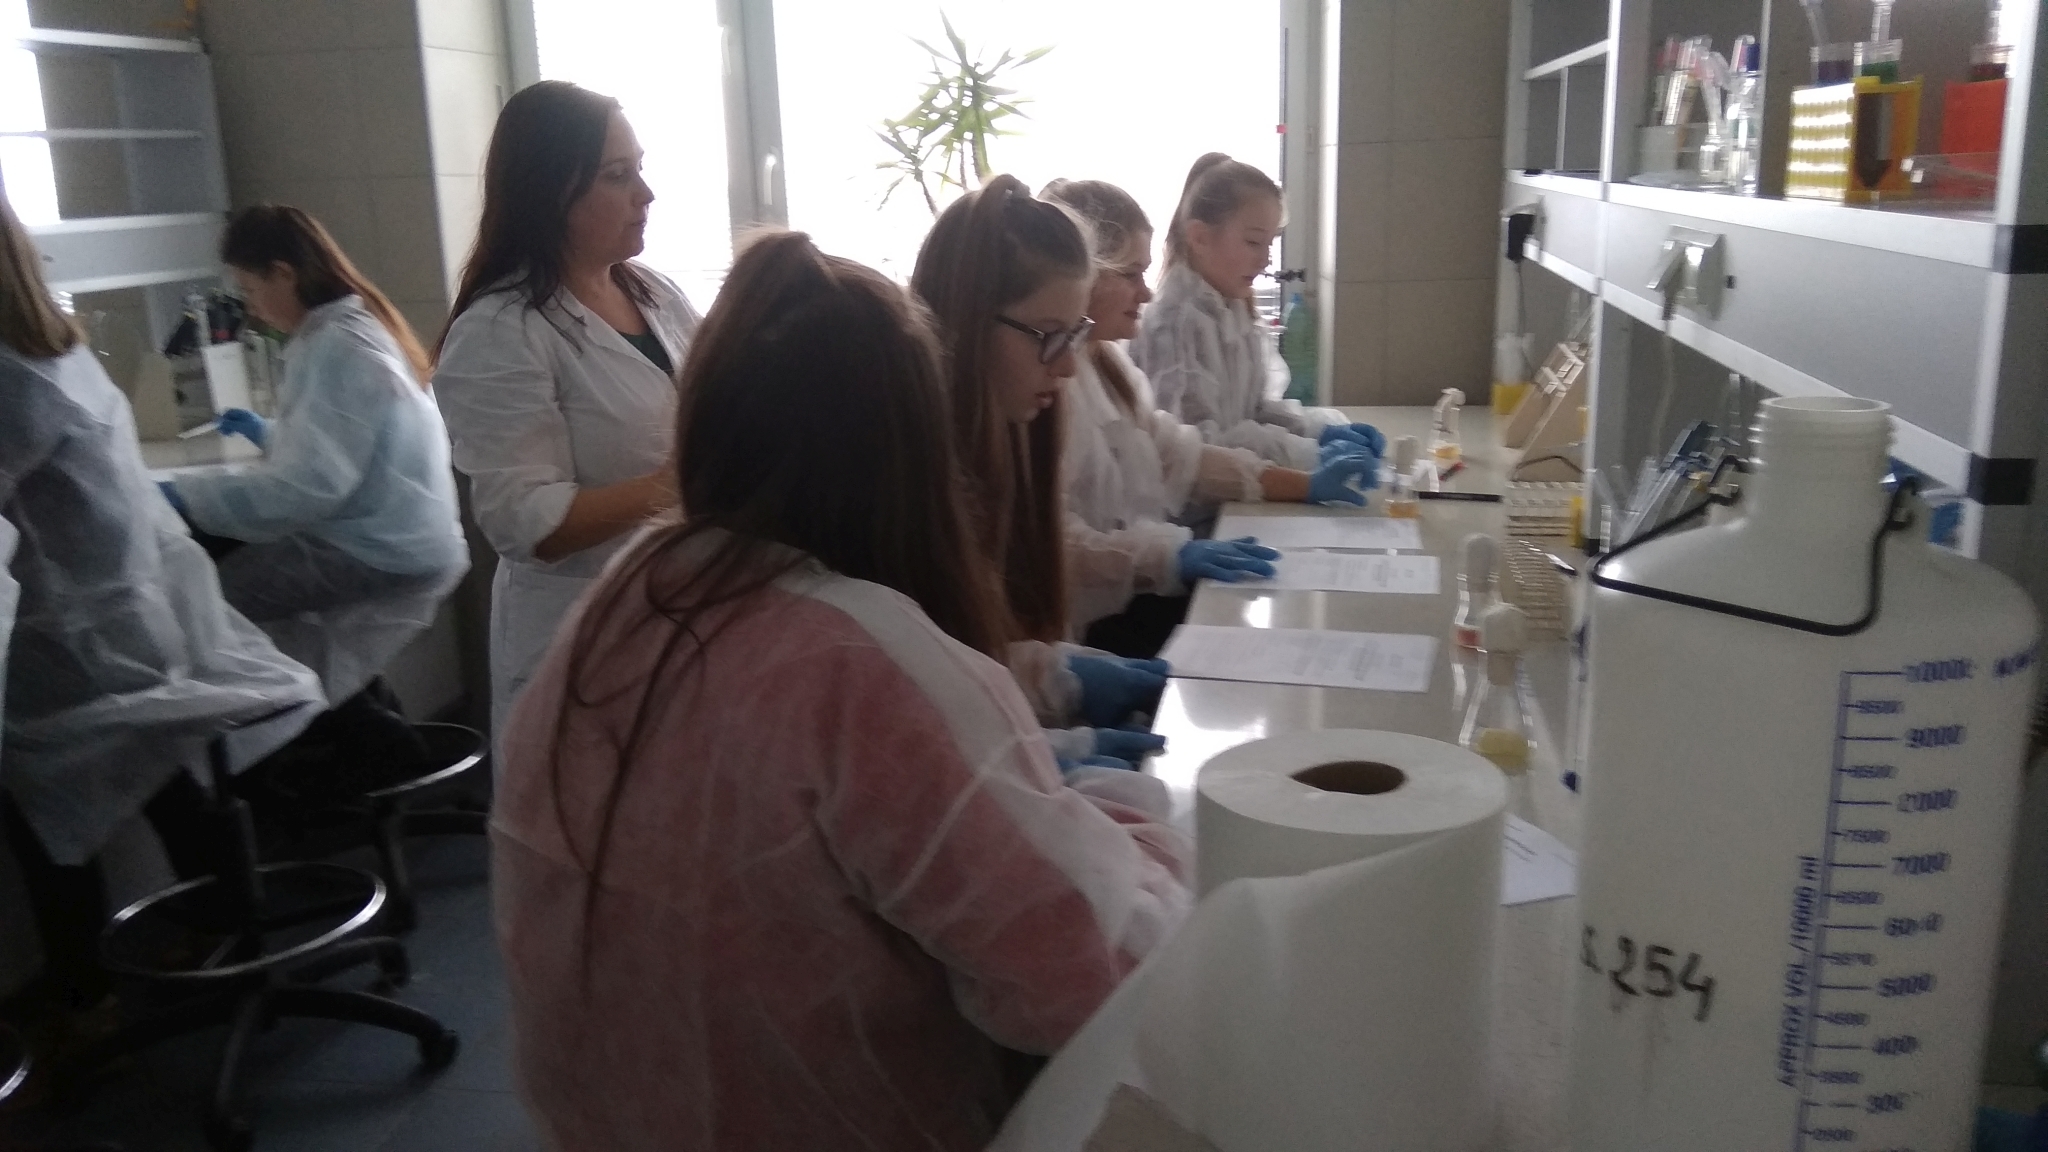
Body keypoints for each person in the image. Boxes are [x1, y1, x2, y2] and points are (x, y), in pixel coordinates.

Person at [492, 230, 1190, 1151]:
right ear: (911, 443)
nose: (1063, 366)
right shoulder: (863, 664)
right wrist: (1144, 824)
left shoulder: (625, 598)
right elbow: (1089, 979)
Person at [0, 192, 323, 1008]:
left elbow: (315, 483)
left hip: (77, 642)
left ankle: (83, 1001)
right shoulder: (52, 349)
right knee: (158, 771)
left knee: (49, 810)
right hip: (129, 623)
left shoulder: (9, 380)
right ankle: (231, 926)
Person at [433, 81, 701, 738]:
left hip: (680, 611)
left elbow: (717, 400)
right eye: (618, 176)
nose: (645, 194)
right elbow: (528, 522)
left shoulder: (657, 294)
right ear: (552, 191)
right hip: (581, 637)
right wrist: (683, 482)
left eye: (640, 169)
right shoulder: (500, 330)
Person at [909, 176, 1187, 758]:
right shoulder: (913, 480)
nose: (1066, 369)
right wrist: (1057, 747)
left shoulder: (1015, 431)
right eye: (1049, 336)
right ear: (969, 320)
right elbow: (912, 694)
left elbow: (976, 653)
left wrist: (1052, 676)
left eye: (1075, 335)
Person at [1041, 179, 1378, 655]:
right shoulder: (1053, 386)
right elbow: (1057, 542)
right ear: (1083, 278)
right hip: (1092, 622)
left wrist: (1306, 481)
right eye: (1131, 274)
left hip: (1130, 593)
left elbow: (1181, 453)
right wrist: (1168, 556)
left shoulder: (1108, 363)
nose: (1145, 293)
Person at [160, 205, 468, 710]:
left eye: (251, 290)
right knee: (301, 655)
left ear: (284, 274)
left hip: (378, 549)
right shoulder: (350, 328)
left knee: (202, 611)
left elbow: (300, 490)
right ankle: (335, 729)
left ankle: (291, 738)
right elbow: (346, 443)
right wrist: (270, 434)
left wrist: (184, 495)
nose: (251, 309)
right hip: (398, 539)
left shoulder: (339, 345)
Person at [1131, 153, 1384, 471]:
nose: (1266, 260)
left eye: (1270, 243)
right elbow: (1199, 448)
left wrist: (1317, 431)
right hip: (1200, 500)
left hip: (1238, 489)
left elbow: (1255, 409)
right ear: (1200, 238)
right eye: (1253, 242)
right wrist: (1307, 454)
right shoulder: (1176, 324)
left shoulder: (1232, 308)